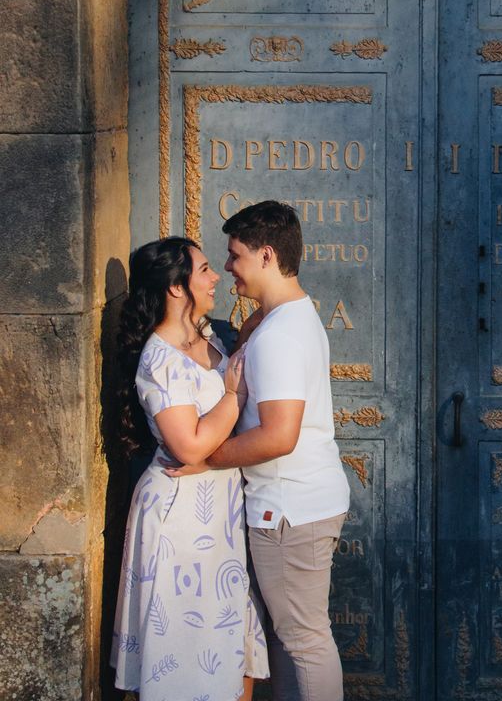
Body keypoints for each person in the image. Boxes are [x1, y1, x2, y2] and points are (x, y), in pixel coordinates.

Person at [166, 201, 351, 701]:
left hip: (290, 510)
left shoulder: (282, 335)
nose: (228, 267)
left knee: (304, 641)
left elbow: (278, 436)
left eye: (235, 255)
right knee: (294, 640)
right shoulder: (285, 319)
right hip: (298, 504)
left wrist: (205, 458)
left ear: (266, 255)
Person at [111, 236, 269, 701]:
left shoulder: (207, 336)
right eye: (203, 270)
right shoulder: (158, 359)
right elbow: (190, 445)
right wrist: (231, 395)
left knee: (229, 649)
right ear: (176, 288)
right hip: (179, 522)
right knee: (184, 654)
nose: (215, 275)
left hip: (218, 512)